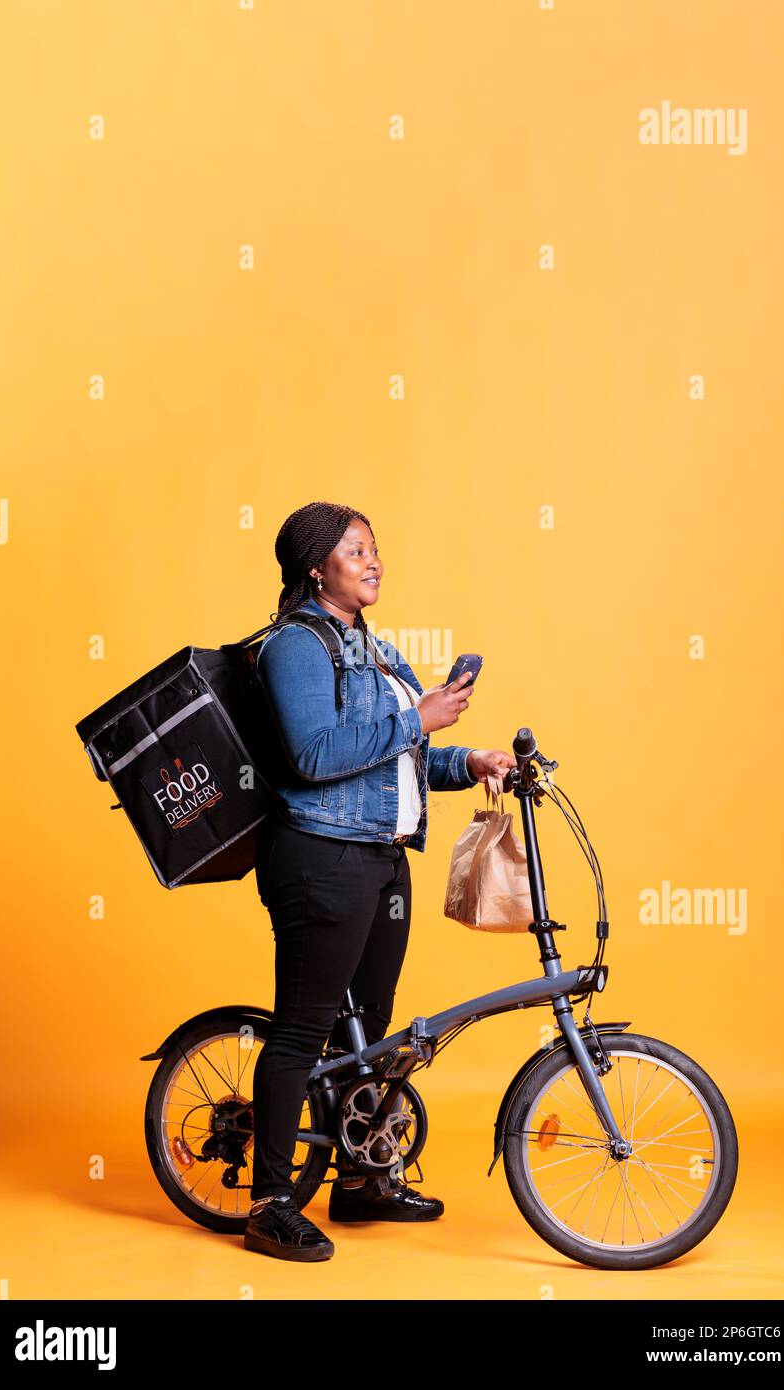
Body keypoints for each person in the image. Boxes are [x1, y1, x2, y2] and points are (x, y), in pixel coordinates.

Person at [243, 501, 516, 1261]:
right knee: (304, 1026)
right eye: (355, 550)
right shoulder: (295, 646)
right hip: (319, 855)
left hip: (383, 855)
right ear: (314, 566)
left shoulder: (376, 648)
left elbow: (398, 758)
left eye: (374, 549)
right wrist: (419, 720)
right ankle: (269, 1201)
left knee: (369, 1026)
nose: (372, 561)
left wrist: (471, 760)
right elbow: (317, 756)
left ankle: (362, 1182)